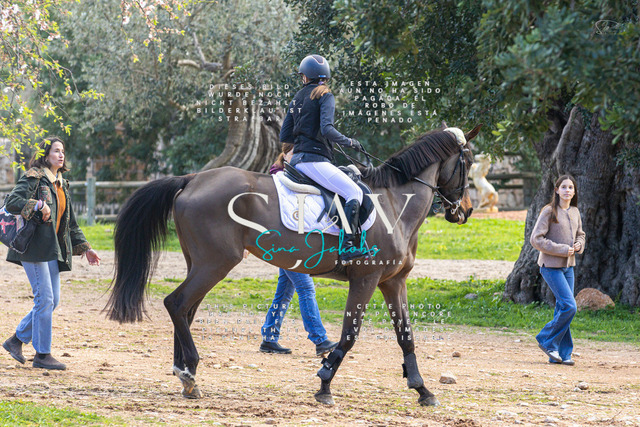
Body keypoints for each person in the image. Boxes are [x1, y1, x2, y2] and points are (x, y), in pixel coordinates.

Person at [2, 137, 101, 370]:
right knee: (44, 299)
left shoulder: (61, 184)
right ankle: (42, 354)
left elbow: (71, 224)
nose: (61, 155)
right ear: (46, 155)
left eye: (62, 151)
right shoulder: (34, 177)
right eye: (56, 151)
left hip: (52, 250)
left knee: (52, 300)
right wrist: (38, 204)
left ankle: (16, 340)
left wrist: (86, 248)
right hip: (33, 248)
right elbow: (13, 202)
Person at [281, 54, 369, 261]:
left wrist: (306, 137)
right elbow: (327, 129)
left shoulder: (297, 98)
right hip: (313, 161)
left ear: (305, 76)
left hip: (297, 161)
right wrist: (349, 142)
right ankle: (347, 247)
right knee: (354, 192)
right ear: (325, 76)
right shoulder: (325, 95)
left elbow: (284, 135)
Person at [258, 143, 338, 356]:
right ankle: (320, 339)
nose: (298, 157)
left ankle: (269, 338)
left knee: (284, 292)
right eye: (294, 153)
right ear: (285, 154)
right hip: (288, 245)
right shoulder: (279, 179)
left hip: (291, 243)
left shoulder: (299, 176)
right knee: (306, 289)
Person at [530, 175, 585, 366]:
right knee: (570, 306)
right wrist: (561, 249)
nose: (567, 190)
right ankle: (545, 339)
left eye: (570, 187)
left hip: (568, 267)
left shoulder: (575, 211)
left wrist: (579, 244)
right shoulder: (549, 211)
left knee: (563, 308)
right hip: (550, 267)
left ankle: (562, 354)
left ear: (574, 192)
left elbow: (581, 234)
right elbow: (536, 239)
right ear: (557, 190)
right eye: (564, 187)